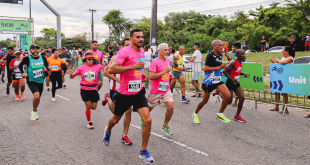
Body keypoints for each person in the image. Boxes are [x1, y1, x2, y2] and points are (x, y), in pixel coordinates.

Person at [102, 28, 154, 163]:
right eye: (138, 37)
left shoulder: (142, 51)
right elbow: (112, 69)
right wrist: (132, 67)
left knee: (147, 120)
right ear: (131, 39)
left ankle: (143, 151)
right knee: (115, 119)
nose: (141, 39)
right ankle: (108, 131)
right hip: (124, 93)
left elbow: (137, 68)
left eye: (142, 37)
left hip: (138, 91)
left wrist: (139, 74)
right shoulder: (124, 51)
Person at [102, 37, 133, 145]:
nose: (130, 48)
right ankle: (108, 98)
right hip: (115, 89)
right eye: (127, 45)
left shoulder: (133, 58)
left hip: (127, 90)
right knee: (116, 115)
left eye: (131, 45)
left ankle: (124, 135)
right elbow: (106, 73)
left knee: (128, 111)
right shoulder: (115, 57)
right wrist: (118, 80)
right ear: (122, 47)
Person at [192, 40, 231, 124]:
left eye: (222, 45)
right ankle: (195, 114)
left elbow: (219, 66)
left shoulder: (220, 55)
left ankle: (220, 114)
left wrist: (221, 67)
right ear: (214, 47)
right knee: (205, 101)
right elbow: (206, 69)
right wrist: (219, 67)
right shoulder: (210, 55)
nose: (221, 47)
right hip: (208, 82)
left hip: (217, 80)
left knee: (228, 96)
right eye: (219, 45)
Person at [67, 52, 104, 129]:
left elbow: (106, 69)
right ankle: (89, 122)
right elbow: (72, 77)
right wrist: (71, 74)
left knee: (94, 107)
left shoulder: (98, 66)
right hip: (84, 89)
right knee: (88, 105)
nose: (91, 61)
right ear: (85, 60)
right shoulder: (81, 68)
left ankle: (88, 110)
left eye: (92, 59)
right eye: (89, 59)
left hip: (94, 89)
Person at [146, 43, 174, 136]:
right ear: (159, 51)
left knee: (171, 107)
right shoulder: (155, 61)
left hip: (166, 88)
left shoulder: (168, 60)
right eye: (165, 50)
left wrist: (170, 76)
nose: (167, 51)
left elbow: (166, 73)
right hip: (156, 89)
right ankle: (143, 118)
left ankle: (165, 125)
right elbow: (151, 76)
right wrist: (164, 72)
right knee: (149, 108)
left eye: (168, 50)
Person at [19, 44, 51, 121]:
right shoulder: (27, 58)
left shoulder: (42, 58)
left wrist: (49, 68)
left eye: (37, 49)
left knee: (38, 97)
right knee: (36, 96)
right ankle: (34, 112)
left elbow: (47, 66)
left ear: (39, 50)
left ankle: (35, 110)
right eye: (33, 49)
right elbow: (20, 65)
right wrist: (22, 73)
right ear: (30, 50)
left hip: (40, 80)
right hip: (31, 80)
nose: (35, 50)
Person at [223, 49, 248, 122]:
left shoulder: (240, 62)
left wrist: (243, 73)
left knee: (242, 98)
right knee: (229, 101)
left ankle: (237, 116)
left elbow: (237, 70)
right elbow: (224, 70)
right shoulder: (233, 62)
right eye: (242, 54)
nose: (244, 55)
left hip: (236, 83)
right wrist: (231, 78)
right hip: (230, 82)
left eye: (244, 53)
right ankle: (219, 92)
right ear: (237, 55)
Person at [270, 46, 294, 114]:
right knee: (277, 91)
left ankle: (285, 108)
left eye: (283, 51)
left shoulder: (290, 58)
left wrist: (278, 61)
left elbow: (283, 63)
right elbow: (279, 67)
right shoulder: (283, 58)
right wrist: (274, 62)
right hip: (280, 76)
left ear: (287, 52)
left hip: (286, 77)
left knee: (284, 93)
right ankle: (276, 106)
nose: (282, 52)